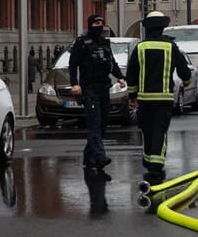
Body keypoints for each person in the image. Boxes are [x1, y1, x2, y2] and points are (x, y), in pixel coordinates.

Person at [125, 10, 191, 182]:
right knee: (159, 131)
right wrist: (187, 81)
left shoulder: (140, 47)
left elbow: (131, 73)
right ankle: (156, 165)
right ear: (162, 28)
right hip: (164, 98)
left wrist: (132, 94)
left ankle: (148, 161)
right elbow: (183, 68)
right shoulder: (170, 47)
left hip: (144, 99)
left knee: (147, 130)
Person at [69, 13, 125, 169]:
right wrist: (75, 84)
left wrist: (120, 77)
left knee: (102, 125)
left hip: (104, 88)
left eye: (101, 23)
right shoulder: (81, 43)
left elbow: (111, 62)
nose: (99, 26)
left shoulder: (104, 42)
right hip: (89, 89)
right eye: (96, 23)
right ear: (90, 25)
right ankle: (100, 156)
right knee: (94, 124)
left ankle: (89, 157)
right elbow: (73, 64)